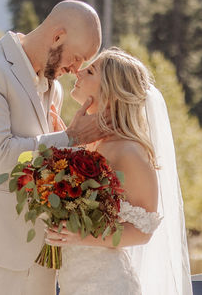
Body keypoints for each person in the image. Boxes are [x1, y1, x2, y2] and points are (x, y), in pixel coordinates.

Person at [0, 0, 106, 295]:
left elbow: (44, 161)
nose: (77, 70)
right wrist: (70, 138)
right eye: (77, 58)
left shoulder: (55, 87)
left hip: (39, 253)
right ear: (57, 37)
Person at [44, 47, 190, 295]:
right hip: (73, 282)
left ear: (110, 92)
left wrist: (81, 236)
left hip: (106, 285)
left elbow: (143, 231)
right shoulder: (88, 143)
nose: (78, 71)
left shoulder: (129, 151)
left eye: (90, 70)